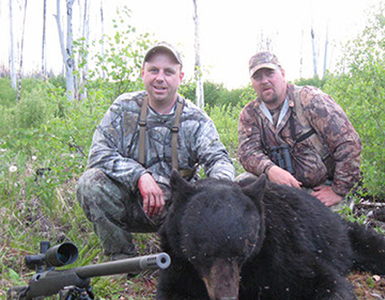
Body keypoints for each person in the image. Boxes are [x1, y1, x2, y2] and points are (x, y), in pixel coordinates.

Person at [77, 42, 235, 259]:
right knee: (90, 183)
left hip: (181, 211)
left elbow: (219, 159)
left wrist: (214, 193)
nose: (160, 78)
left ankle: (193, 257)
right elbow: (98, 153)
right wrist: (140, 176)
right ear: (143, 74)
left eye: (169, 72)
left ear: (180, 77)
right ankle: (120, 259)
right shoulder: (124, 108)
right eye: (154, 70)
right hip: (133, 203)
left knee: (226, 191)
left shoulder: (196, 118)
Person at [237, 51, 362, 208]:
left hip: (319, 189)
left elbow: (348, 143)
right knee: (242, 185)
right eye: (257, 77)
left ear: (282, 74)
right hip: (280, 188)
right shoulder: (250, 114)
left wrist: (337, 190)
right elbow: (247, 152)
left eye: (270, 73)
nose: (264, 81)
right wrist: (270, 170)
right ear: (252, 82)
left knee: (322, 225)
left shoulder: (310, 100)